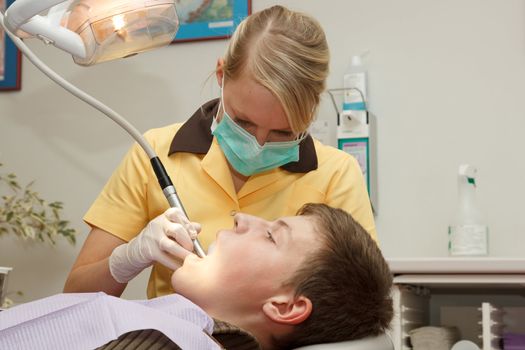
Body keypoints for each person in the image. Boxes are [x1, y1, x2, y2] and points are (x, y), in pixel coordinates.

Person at [63, 5, 376, 298]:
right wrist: (128, 258)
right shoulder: (155, 152)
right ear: (221, 75)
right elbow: (75, 297)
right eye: (244, 122)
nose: (258, 145)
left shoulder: (336, 175)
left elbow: (357, 308)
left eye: (283, 132)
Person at [2, 204, 393, 350]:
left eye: (272, 235)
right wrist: (123, 260)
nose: (241, 218)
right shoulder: (179, 326)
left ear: (286, 306)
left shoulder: (164, 342)